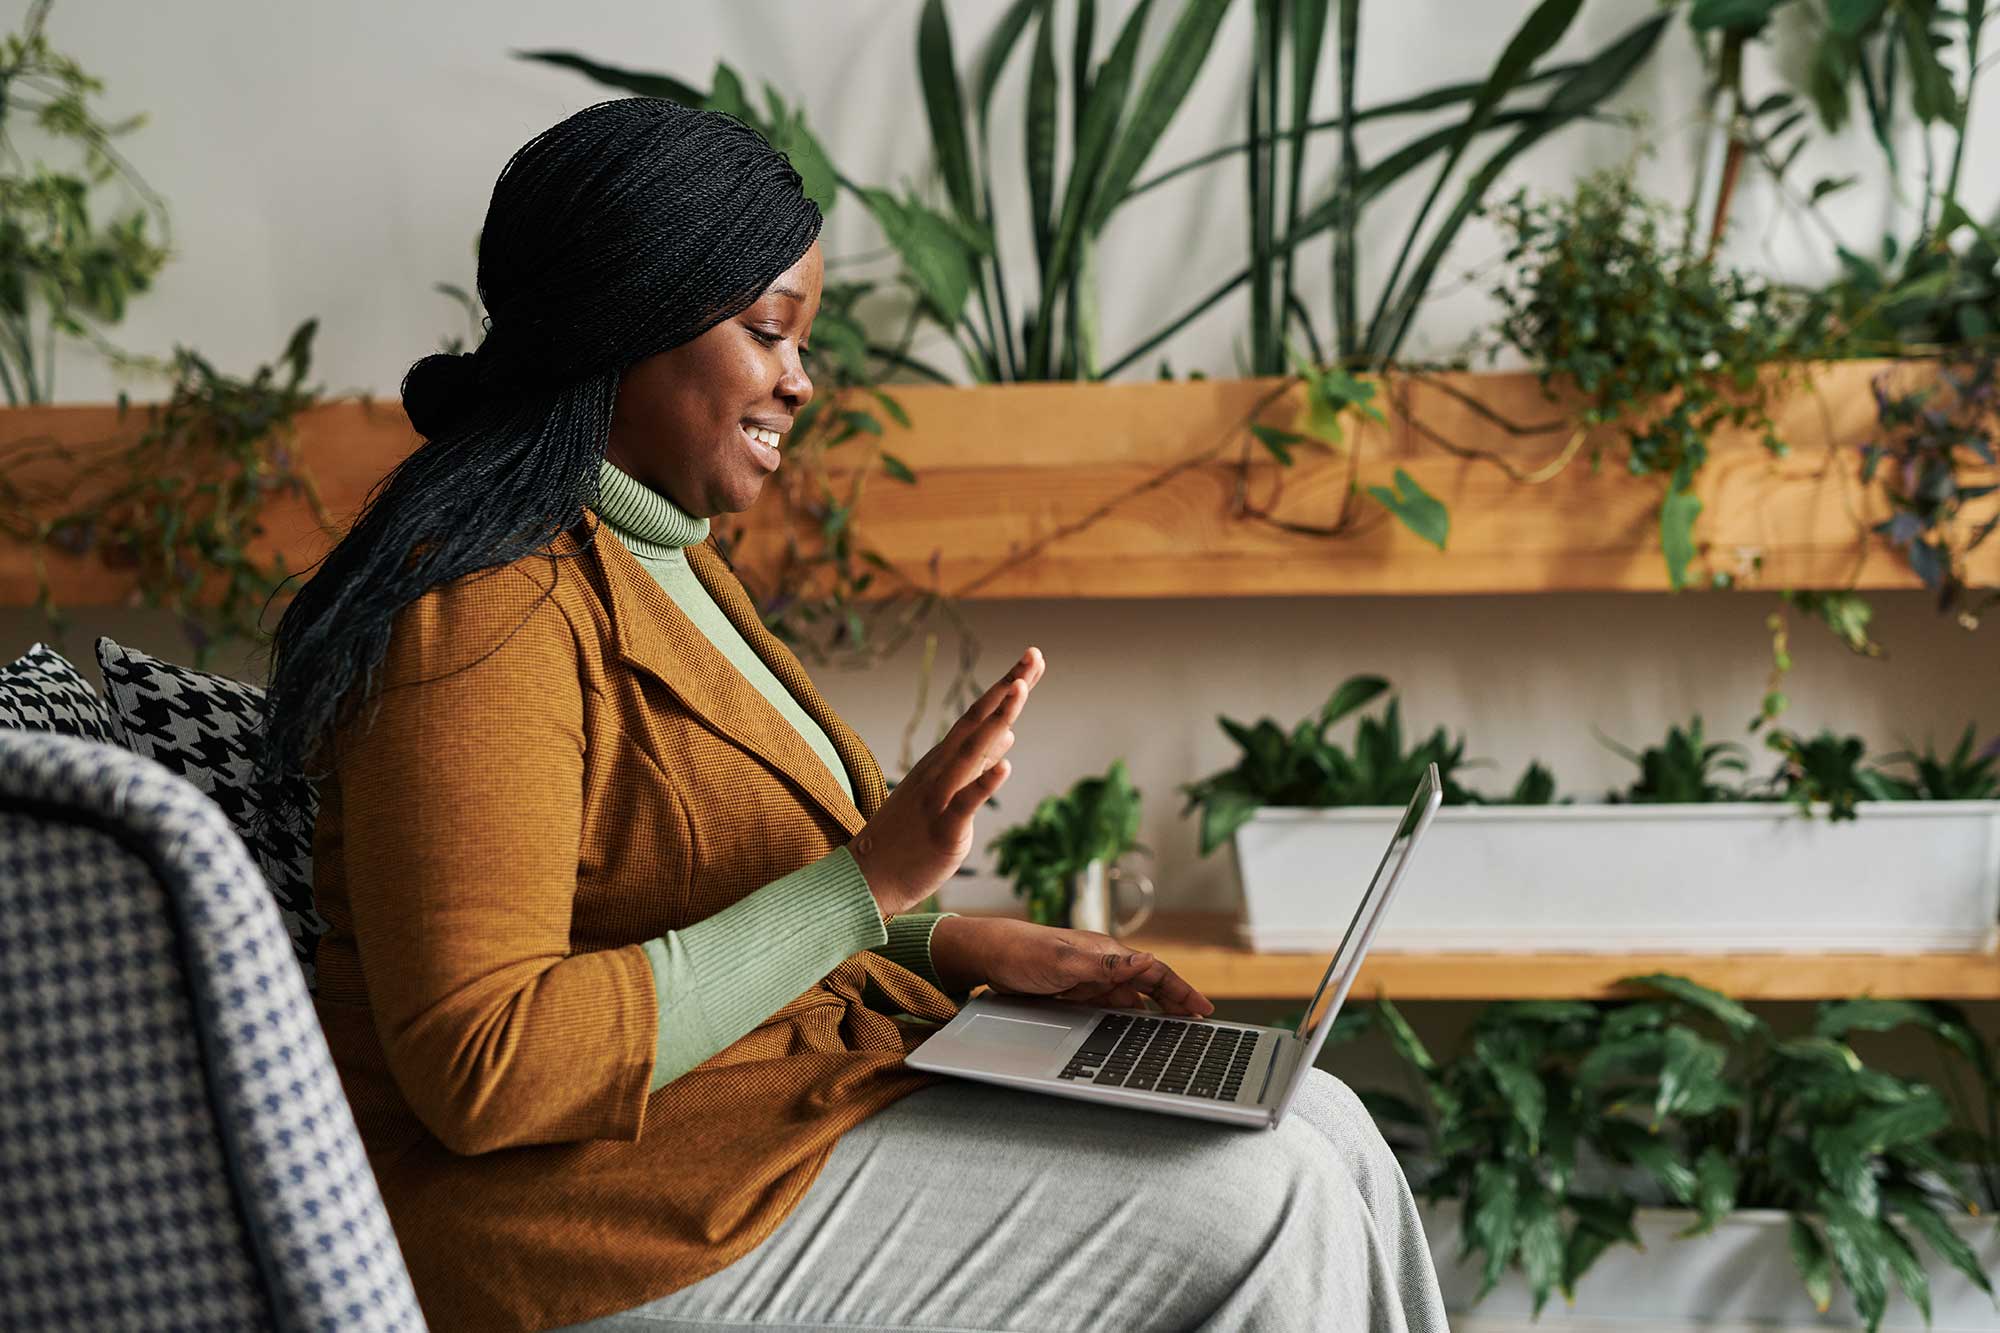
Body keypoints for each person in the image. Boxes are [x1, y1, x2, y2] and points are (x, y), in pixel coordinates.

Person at [256, 97, 1450, 1333]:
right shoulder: (482, 605)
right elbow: (485, 1064)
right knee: (1264, 1199)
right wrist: (864, 887)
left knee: (1323, 1125)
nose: (801, 380)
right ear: (632, 322)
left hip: (752, 1114)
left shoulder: (659, 552)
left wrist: (947, 945)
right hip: (574, 1217)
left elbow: (676, 888)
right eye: (770, 333)